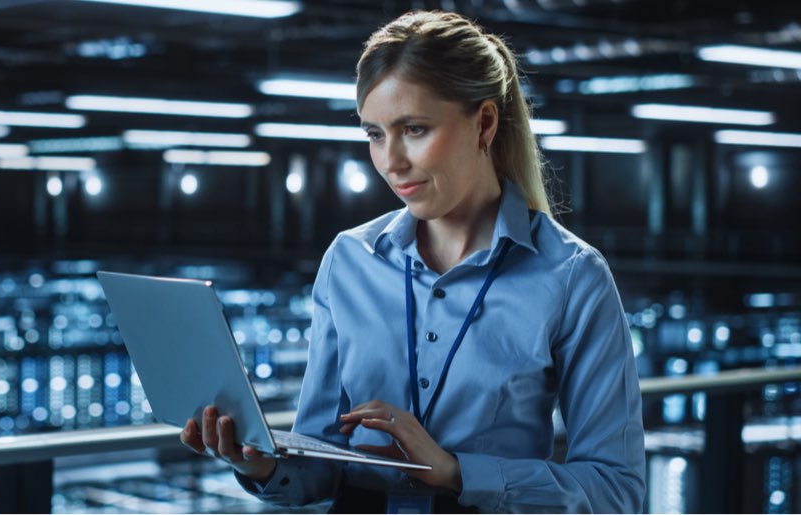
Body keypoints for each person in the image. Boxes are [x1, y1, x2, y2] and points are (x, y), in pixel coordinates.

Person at [179, 10, 646, 514]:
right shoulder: (348, 260)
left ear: (484, 123)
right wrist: (261, 465)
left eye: (415, 129)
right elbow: (320, 459)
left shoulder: (573, 276)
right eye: (375, 135)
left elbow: (617, 493)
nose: (391, 162)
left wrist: (455, 473)